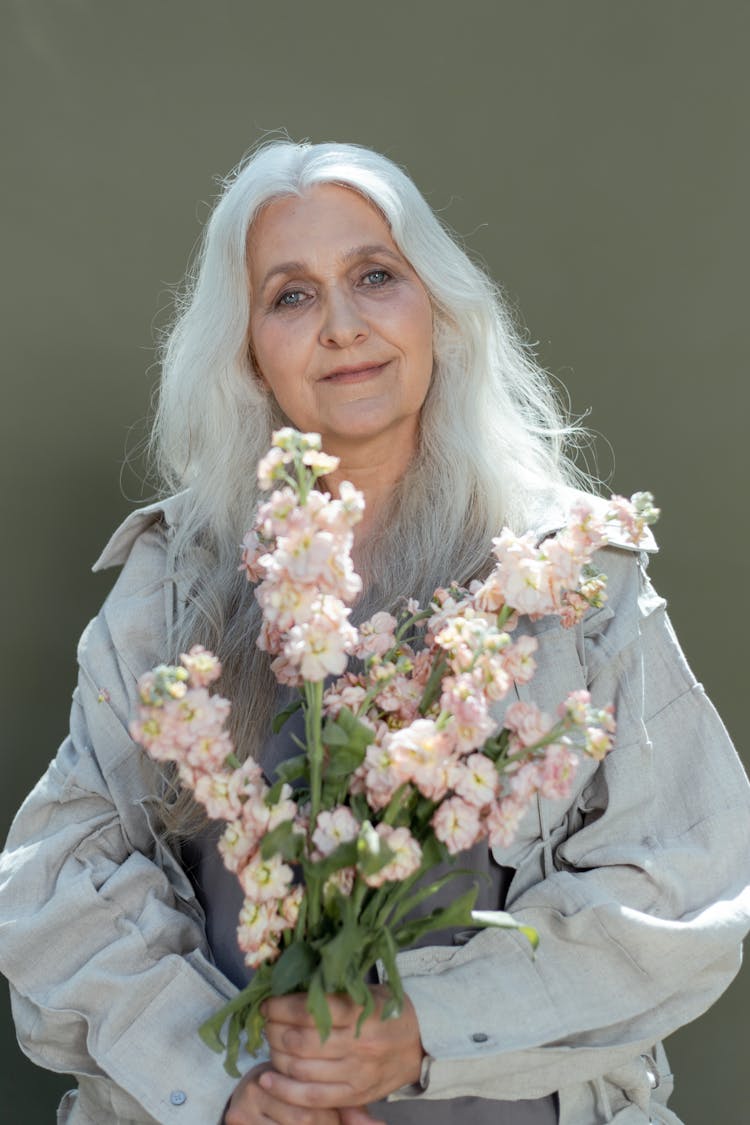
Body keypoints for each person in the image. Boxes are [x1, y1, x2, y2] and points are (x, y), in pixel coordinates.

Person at [1, 140, 749, 1125]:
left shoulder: (570, 573)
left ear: (437, 307)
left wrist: (423, 1025)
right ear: (249, 351)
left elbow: (689, 886)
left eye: (375, 277)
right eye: (292, 297)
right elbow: (63, 878)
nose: (343, 327)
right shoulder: (178, 576)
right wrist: (227, 1087)